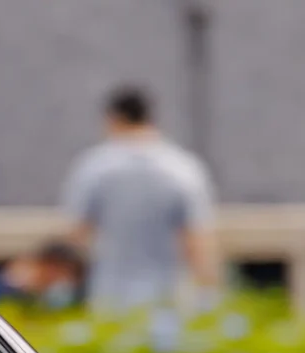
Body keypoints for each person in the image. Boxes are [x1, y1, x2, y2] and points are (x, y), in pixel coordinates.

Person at [58, 85, 218, 310]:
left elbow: (76, 235)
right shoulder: (183, 167)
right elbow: (197, 240)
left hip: (109, 296)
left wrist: (65, 290)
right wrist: (207, 295)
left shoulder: (94, 167)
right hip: (167, 298)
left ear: (114, 118)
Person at [0, 240, 86, 309]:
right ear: (49, 265)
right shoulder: (4, 289)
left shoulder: (42, 298)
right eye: (63, 273)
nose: (63, 280)